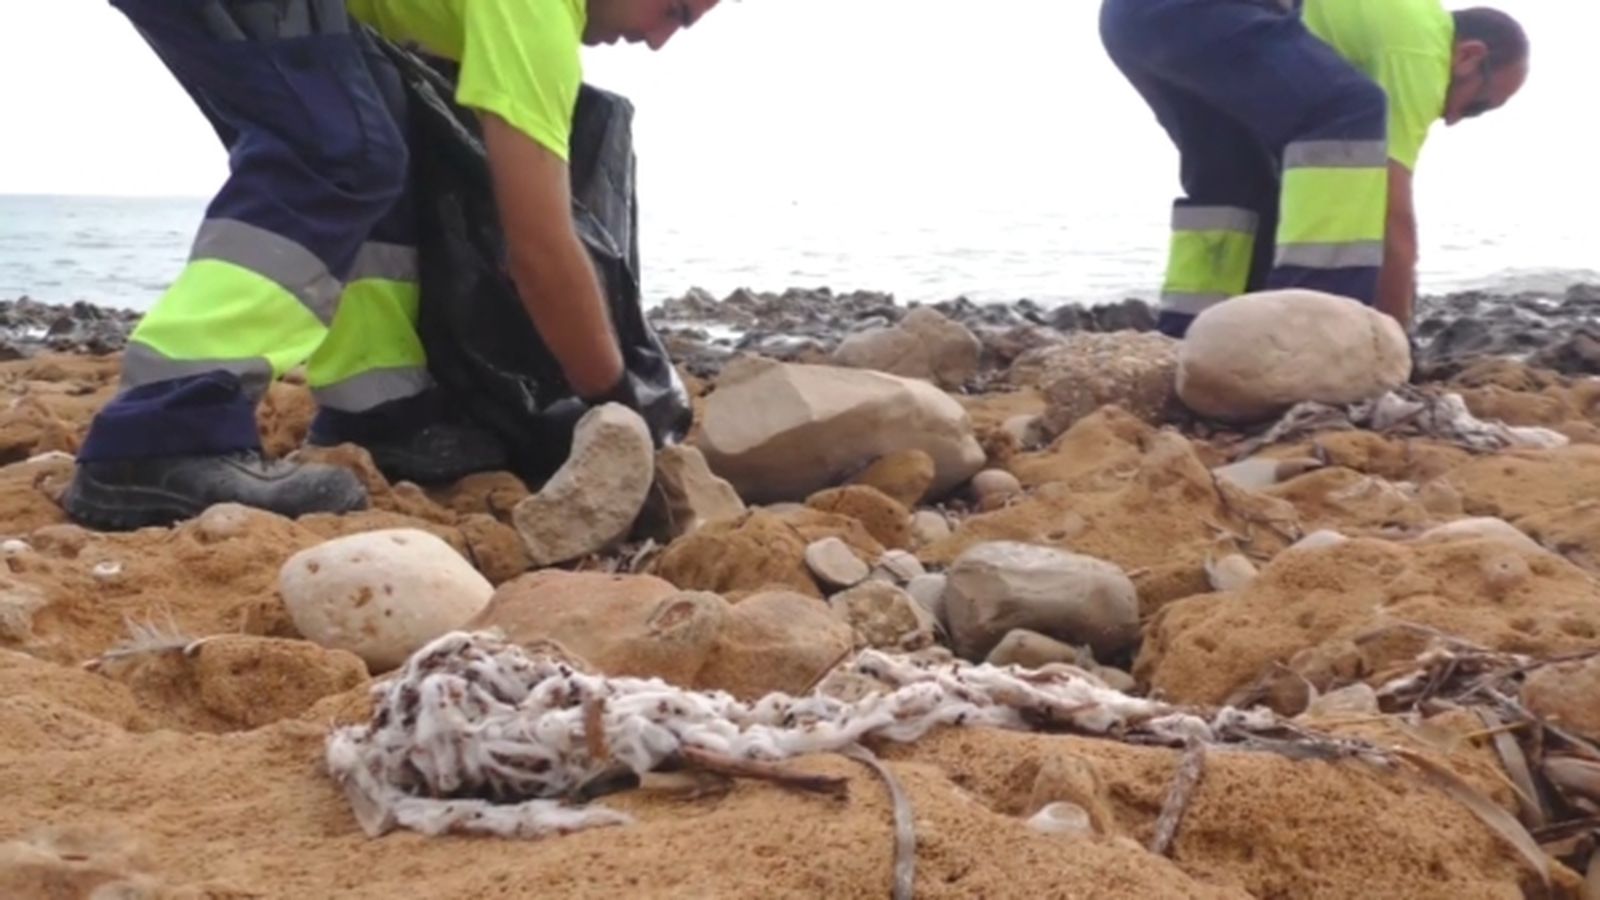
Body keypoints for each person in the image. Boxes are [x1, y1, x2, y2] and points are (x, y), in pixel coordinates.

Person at [65, 0, 720, 530]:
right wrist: (614, 402)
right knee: (335, 152)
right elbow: (539, 248)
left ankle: (378, 408)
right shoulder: (538, 14)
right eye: (676, 10)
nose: (663, 40)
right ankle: (165, 426)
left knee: (378, 129)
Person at [1099, 0, 1529, 338]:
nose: (1454, 119)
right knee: (1348, 109)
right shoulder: (1421, 49)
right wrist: (1395, 337)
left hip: (1132, 17)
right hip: (1204, 9)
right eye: (1477, 106)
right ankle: (1312, 327)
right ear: (1469, 56)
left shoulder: (1396, 18)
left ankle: (1186, 336)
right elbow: (1391, 215)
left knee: (1234, 178)